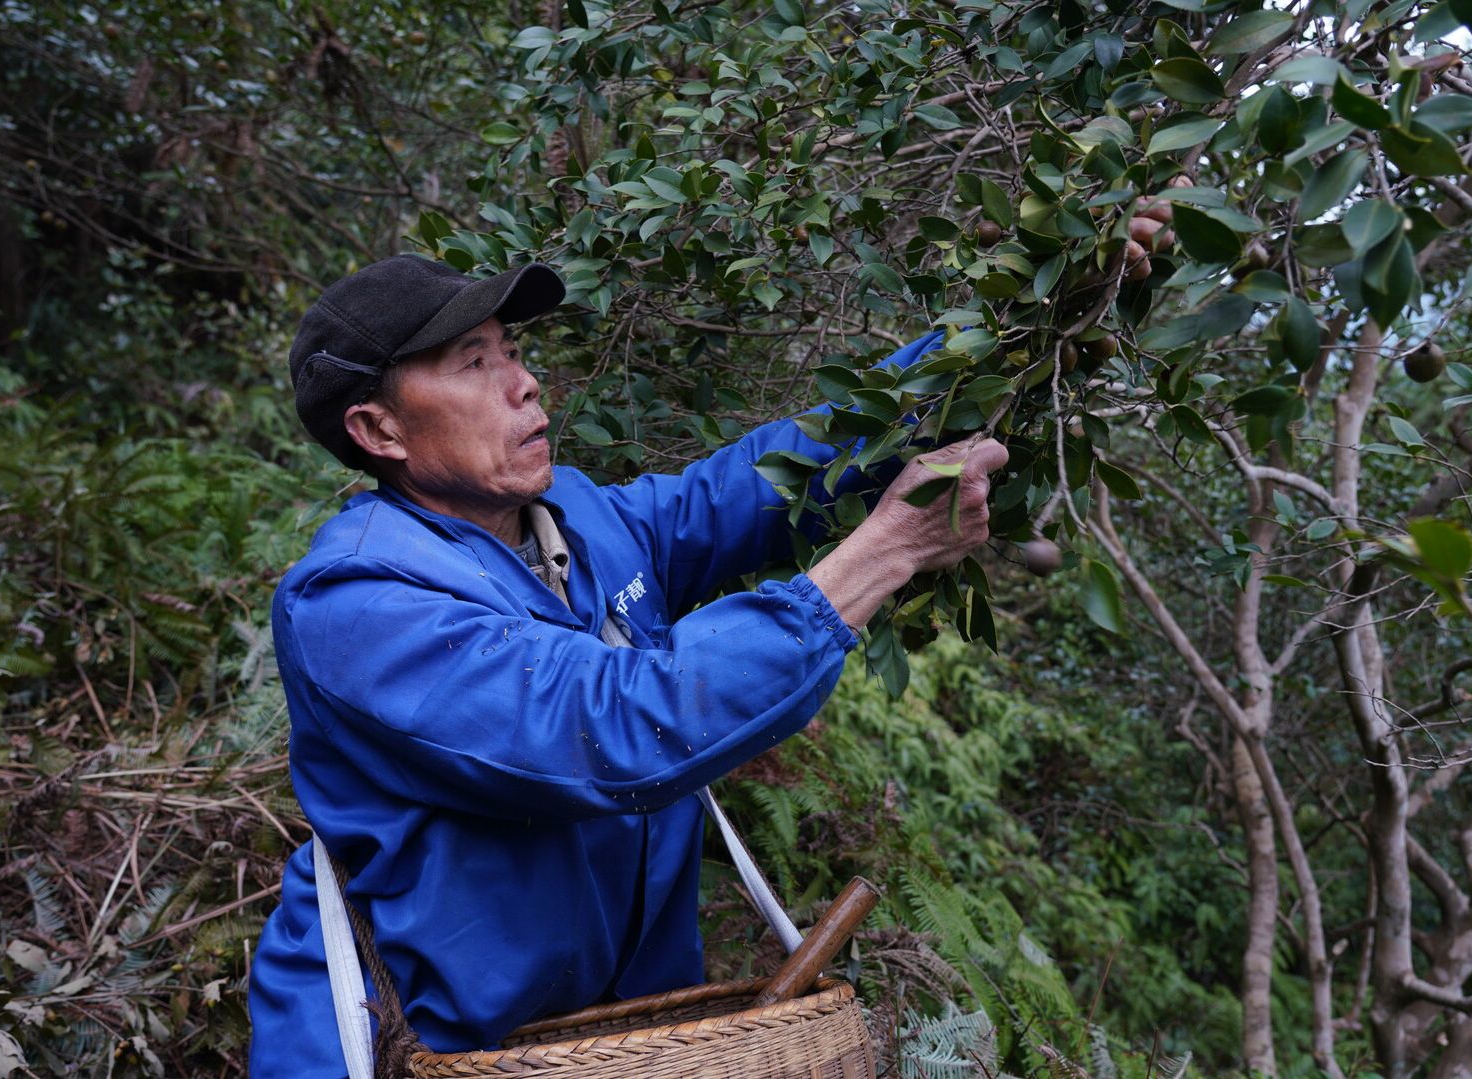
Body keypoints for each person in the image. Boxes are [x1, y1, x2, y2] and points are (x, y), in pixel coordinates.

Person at [247, 252, 1009, 1078]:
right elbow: (614, 725)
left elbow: (756, 481)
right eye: (474, 363)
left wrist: (996, 331)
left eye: (511, 350)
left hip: (615, 1042)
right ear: (378, 430)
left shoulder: (577, 521)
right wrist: (884, 553)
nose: (524, 382)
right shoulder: (356, 604)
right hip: (406, 1050)